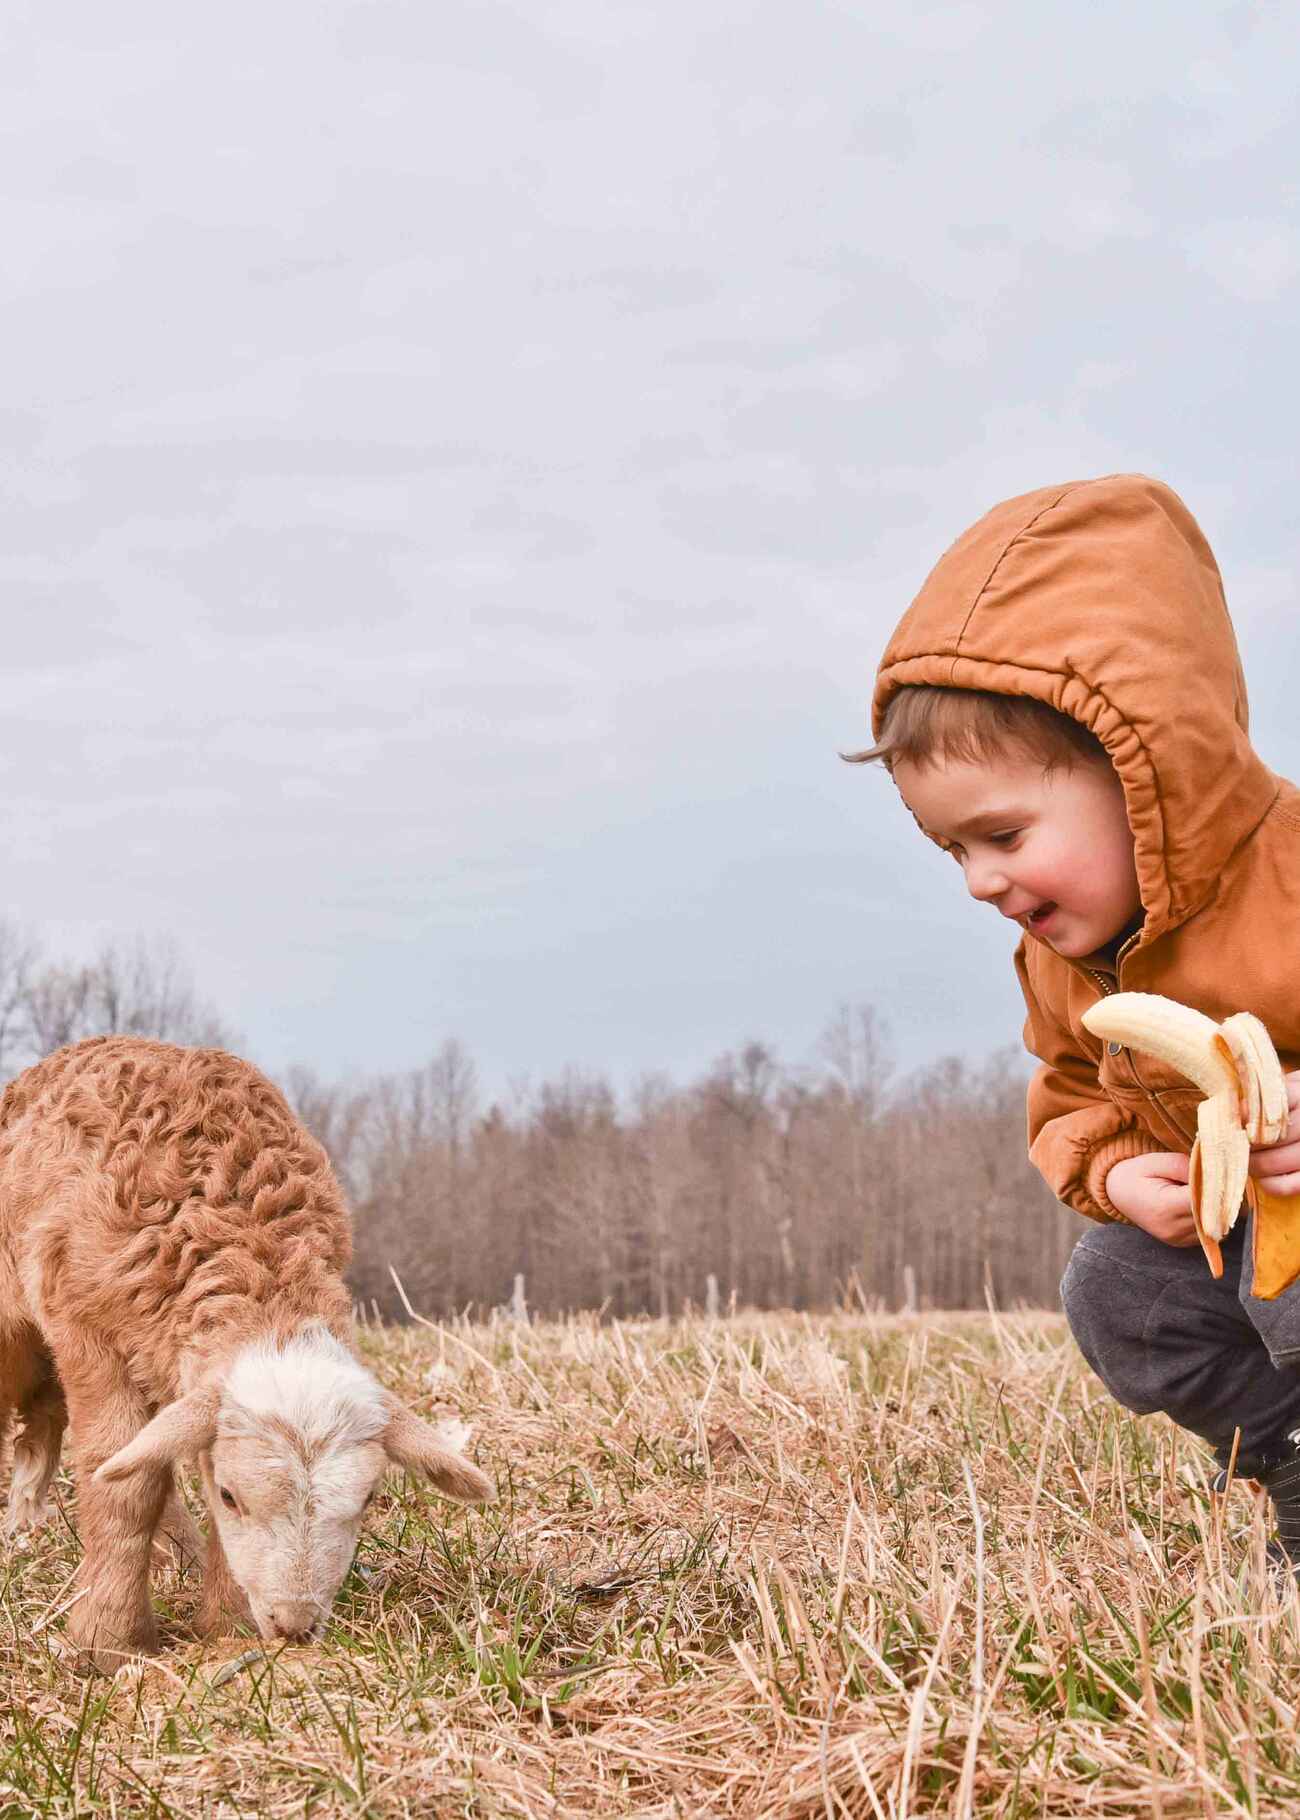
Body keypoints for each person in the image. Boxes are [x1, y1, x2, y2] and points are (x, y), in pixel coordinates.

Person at [857, 473, 1300, 1562]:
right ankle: (1287, 1455)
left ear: (1142, 769)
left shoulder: (1286, 877)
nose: (976, 879)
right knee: (1112, 1290)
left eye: (1001, 835)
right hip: (1230, 1235)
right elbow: (1065, 1095)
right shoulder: (1061, 962)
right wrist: (1109, 1174)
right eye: (952, 849)